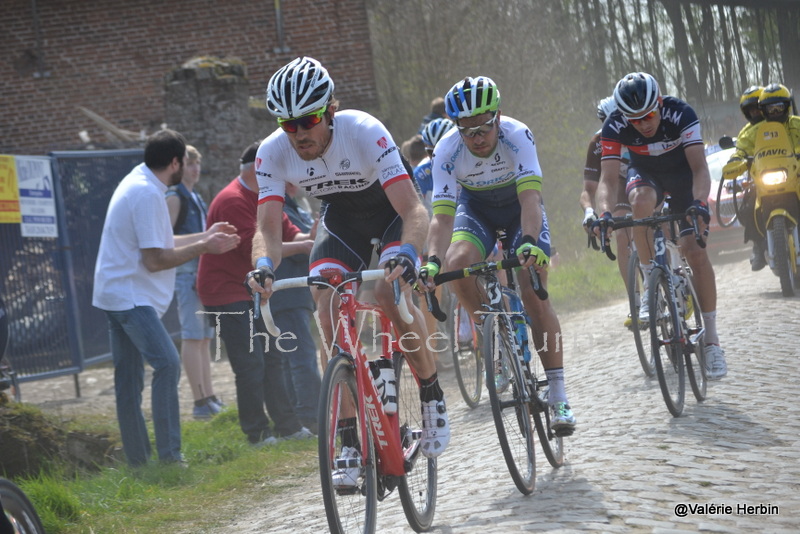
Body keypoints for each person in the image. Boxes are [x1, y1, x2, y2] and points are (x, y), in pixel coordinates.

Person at [246, 57, 450, 480]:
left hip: (390, 212)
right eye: (289, 124)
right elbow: (265, 229)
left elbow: (413, 209)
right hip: (342, 221)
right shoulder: (272, 152)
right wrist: (263, 265)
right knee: (324, 305)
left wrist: (407, 255)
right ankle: (348, 436)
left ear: (331, 111)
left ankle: (431, 392)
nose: (300, 133)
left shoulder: (364, 131)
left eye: (309, 120)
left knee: (388, 296)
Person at [421, 76, 577, 434]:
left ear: (499, 117)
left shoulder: (517, 135)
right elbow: (442, 218)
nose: (477, 137)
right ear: (455, 127)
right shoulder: (446, 150)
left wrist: (529, 241)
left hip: (519, 209)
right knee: (455, 263)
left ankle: (558, 395)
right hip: (476, 210)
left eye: (484, 127)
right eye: (467, 130)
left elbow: (530, 200)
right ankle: (492, 335)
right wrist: (431, 260)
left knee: (532, 292)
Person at [92, 129, 240, 467]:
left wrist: (207, 233)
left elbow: (160, 240)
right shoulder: (146, 193)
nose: (186, 167)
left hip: (115, 295)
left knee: (128, 382)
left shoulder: (140, 182)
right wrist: (205, 246)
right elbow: (154, 259)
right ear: (175, 162)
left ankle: (139, 462)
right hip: (130, 298)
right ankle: (171, 458)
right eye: (185, 162)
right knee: (167, 364)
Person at [593, 72, 727, 380]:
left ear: (659, 103)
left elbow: (699, 168)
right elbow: (609, 180)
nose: (644, 124)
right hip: (647, 174)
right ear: (623, 116)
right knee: (640, 202)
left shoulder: (681, 112)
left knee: (695, 252)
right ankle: (652, 277)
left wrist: (698, 204)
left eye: (649, 115)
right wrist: (604, 213)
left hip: (683, 175)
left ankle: (712, 341)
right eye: (635, 120)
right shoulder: (613, 125)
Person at [197, 142, 314, 447]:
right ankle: (257, 433)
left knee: (272, 358)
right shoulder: (233, 200)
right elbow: (256, 250)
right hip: (225, 291)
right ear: (255, 169)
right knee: (250, 364)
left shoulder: (265, 196)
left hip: (251, 288)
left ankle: (288, 427)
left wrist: (311, 235)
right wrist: (303, 246)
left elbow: (288, 233)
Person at [164, 145, 222, 419]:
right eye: (190, 163)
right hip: (186, 273)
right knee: (192, 335)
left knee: (203, 337)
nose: (196, 168)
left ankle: (208, 396)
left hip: (201, 273)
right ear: (178, 167)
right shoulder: (175, 197)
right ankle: (199, 402)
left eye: (198, 163)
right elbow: (164, 240)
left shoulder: (194, 196)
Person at [723, 84, 800, 271]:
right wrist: (736, 160)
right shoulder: (752, 132)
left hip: (795, 175)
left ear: (787, 106)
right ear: (763, 110)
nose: (774, 112)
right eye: (769, 108)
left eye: (778, 107)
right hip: (765, 180)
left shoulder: (797, 123)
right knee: (748, 206)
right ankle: (758, 246)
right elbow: (741, 150)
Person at [270, 181, 322, 434]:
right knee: (301, 357)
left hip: (293, 292)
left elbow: (305, 240)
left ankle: (306, 414)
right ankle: (310, 417)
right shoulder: (280, 207)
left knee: (296, 357)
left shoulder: (290, 206)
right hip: (287, 292)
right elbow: (300, 250)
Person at [580, 96, 633, 326]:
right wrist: (589, 212)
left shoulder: (639, 130)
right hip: (618, 187)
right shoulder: (598, 142)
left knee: (659, 220)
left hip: (646, 179)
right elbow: (588, 189)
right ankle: (636, 300)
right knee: (622, 233)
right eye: (606, 121)